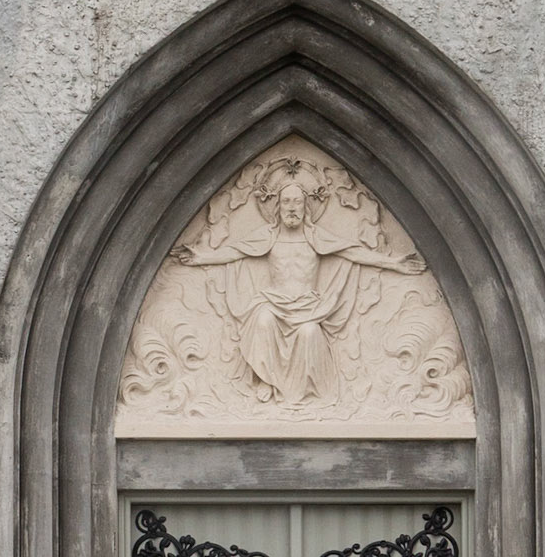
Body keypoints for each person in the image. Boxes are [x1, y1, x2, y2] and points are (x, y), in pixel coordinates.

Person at [175, 163, 425, 405]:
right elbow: (234, 252)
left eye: (297, 202)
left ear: (306, 207)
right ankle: (267, 380)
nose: (292, 208)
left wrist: (394, 264)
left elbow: (353, 252)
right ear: (278, 206)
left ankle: (302, 391)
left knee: (309, 332)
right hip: (274, 302)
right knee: (262, 319)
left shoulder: (315, 237)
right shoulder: (269, 237)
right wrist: (200, 257)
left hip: (307, 306)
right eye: (286, 202)